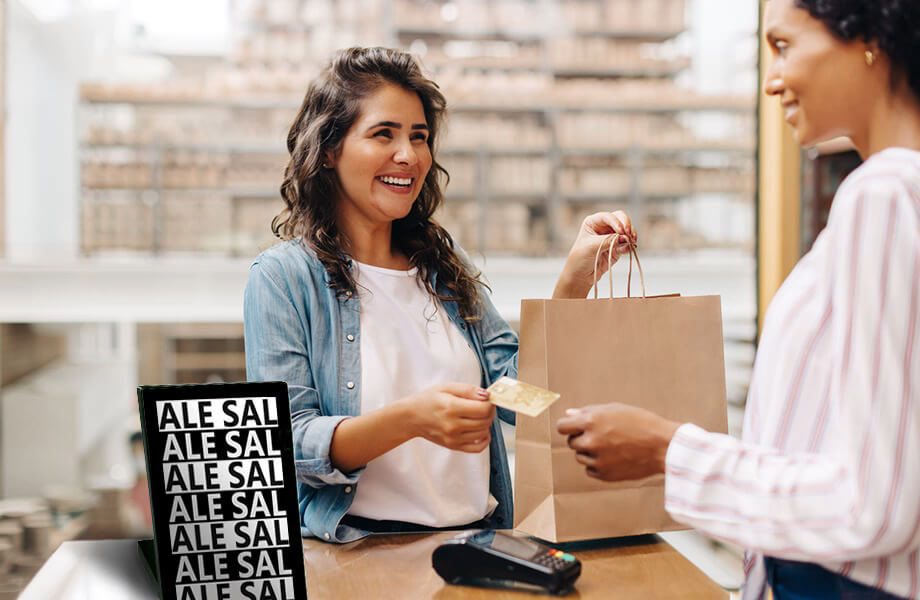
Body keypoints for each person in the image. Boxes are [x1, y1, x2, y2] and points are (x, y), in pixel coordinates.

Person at [557, 1, 920, 598]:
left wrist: (665, 449)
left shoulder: (881, 194)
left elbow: (874, 504)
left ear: (869, 39)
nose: (772, 81)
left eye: (783, 46)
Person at [244, 46, 637, 543]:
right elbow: (287, 444)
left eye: (419, 137)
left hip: (477, 546)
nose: (408, 155)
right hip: (359, 554)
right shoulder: (283, 278)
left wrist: (575, 282)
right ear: (328, 149)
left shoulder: (443, 266)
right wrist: (411, 418)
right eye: (383, 134)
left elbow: (521, 399)